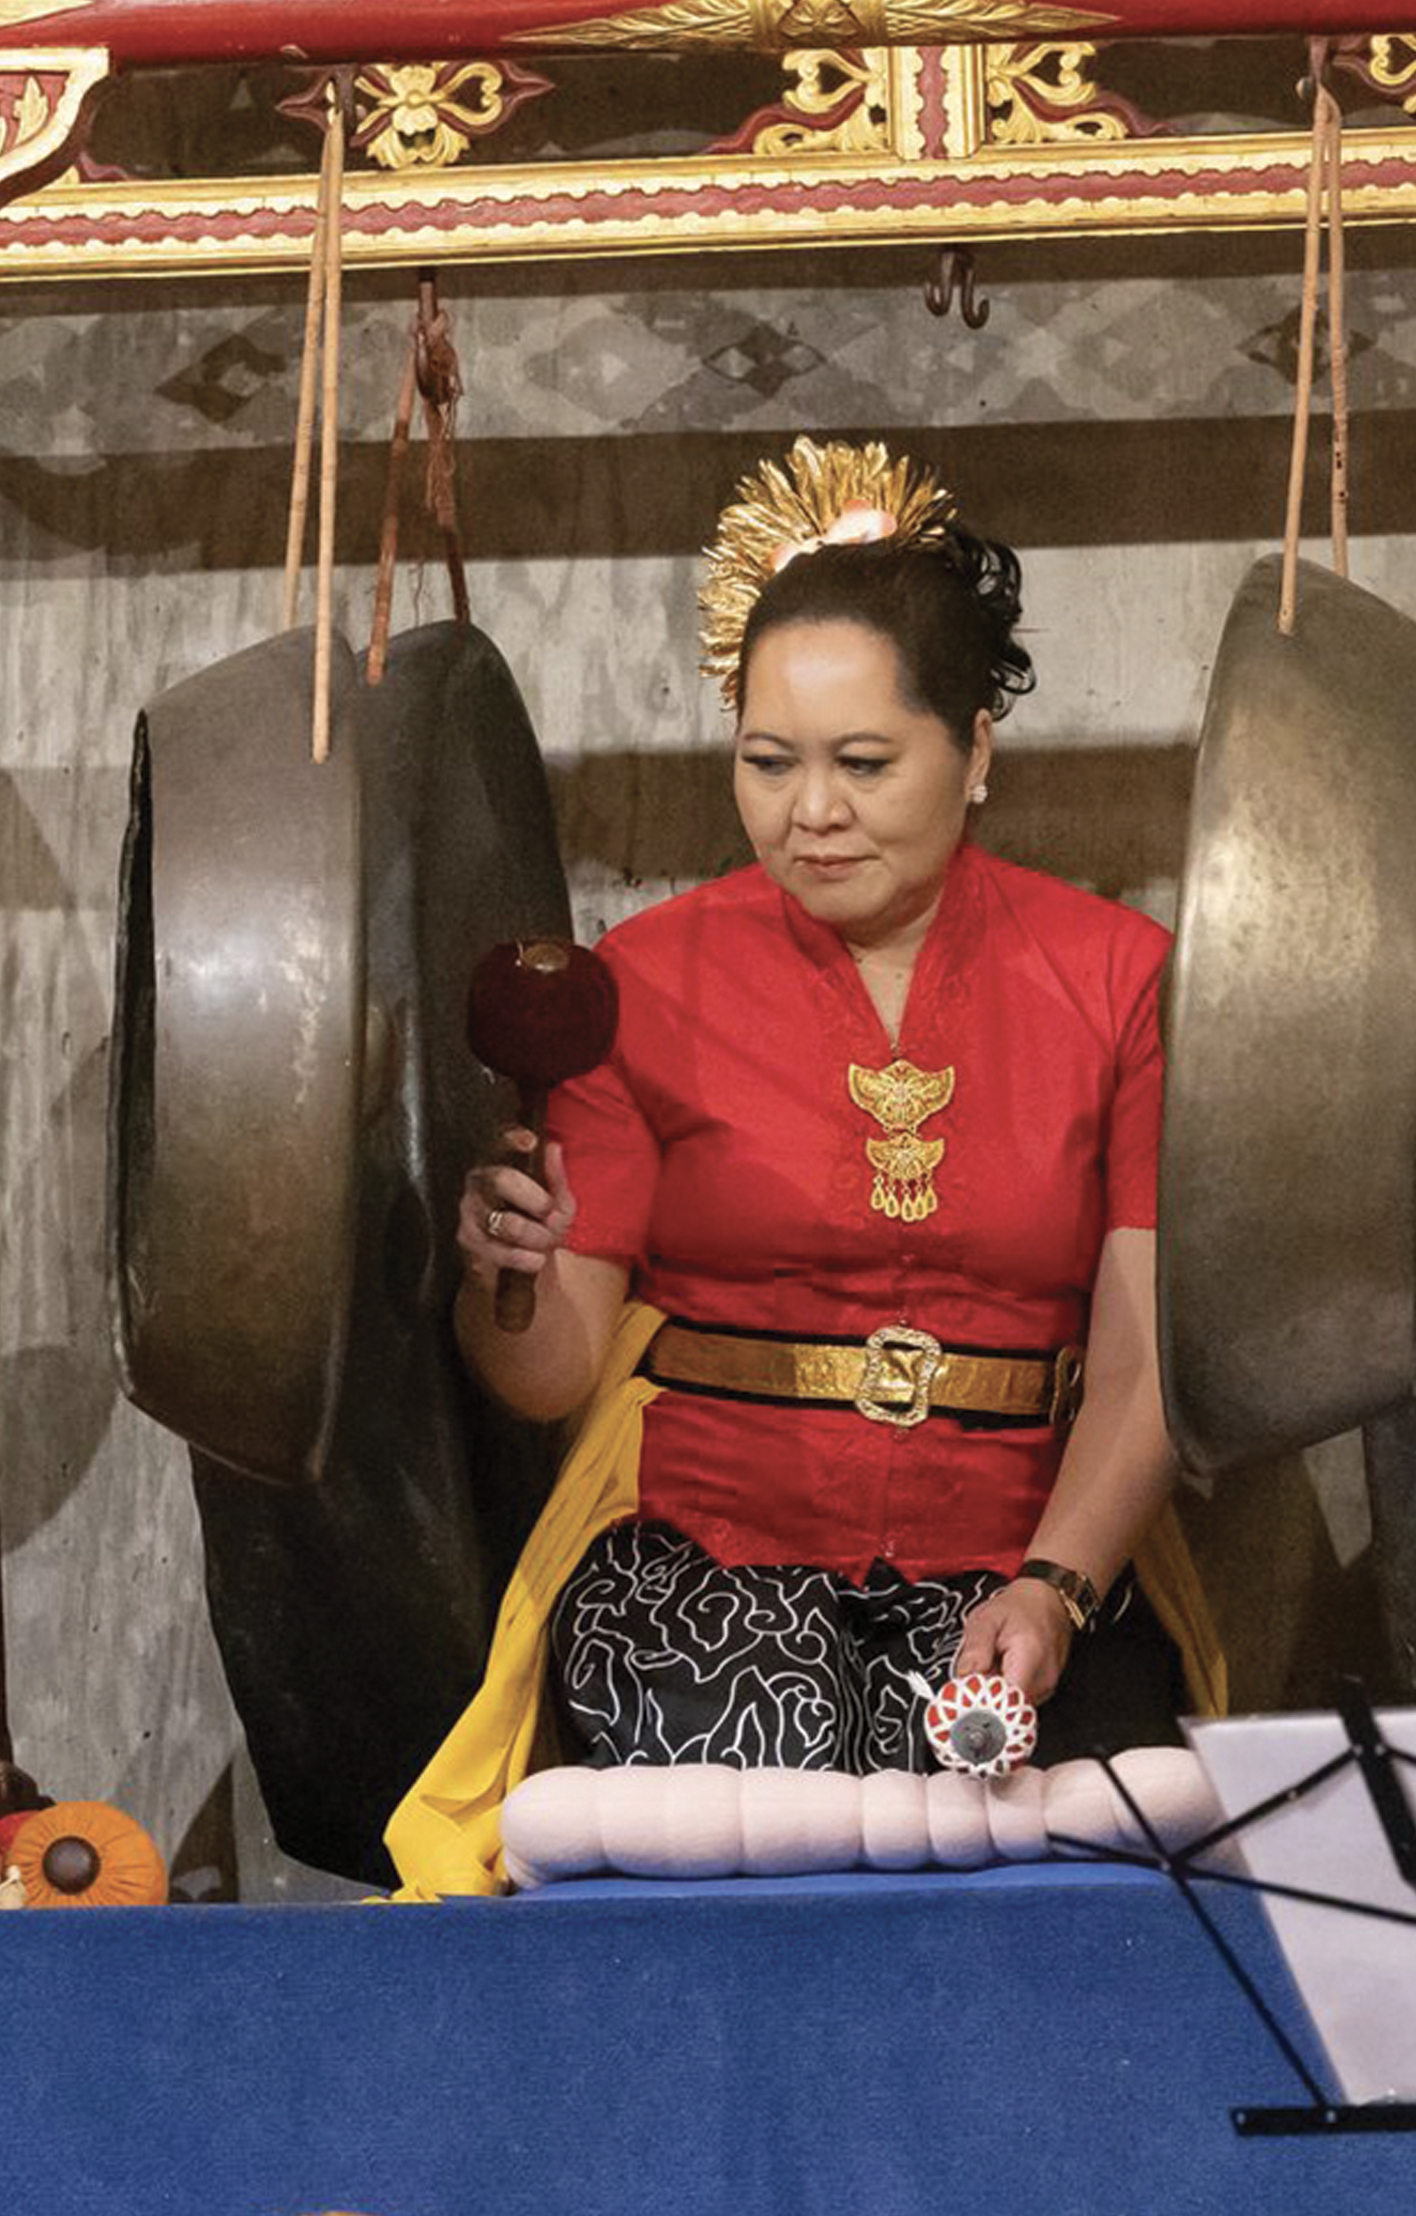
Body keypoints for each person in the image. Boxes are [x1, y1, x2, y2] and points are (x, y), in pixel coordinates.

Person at [387, 439, 1209, 1891]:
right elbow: (551, 1372)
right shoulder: (639, 982)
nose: (807, 812)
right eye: (768, 764)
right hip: (704, 1549)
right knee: (754, 1792)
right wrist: (504, 1281)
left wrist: (1059, 1585)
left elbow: (1146, 1356)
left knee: (1045, 1839)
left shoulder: (1117, 979)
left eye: (863, 764)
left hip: (1026, 1552)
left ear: (978, 749)